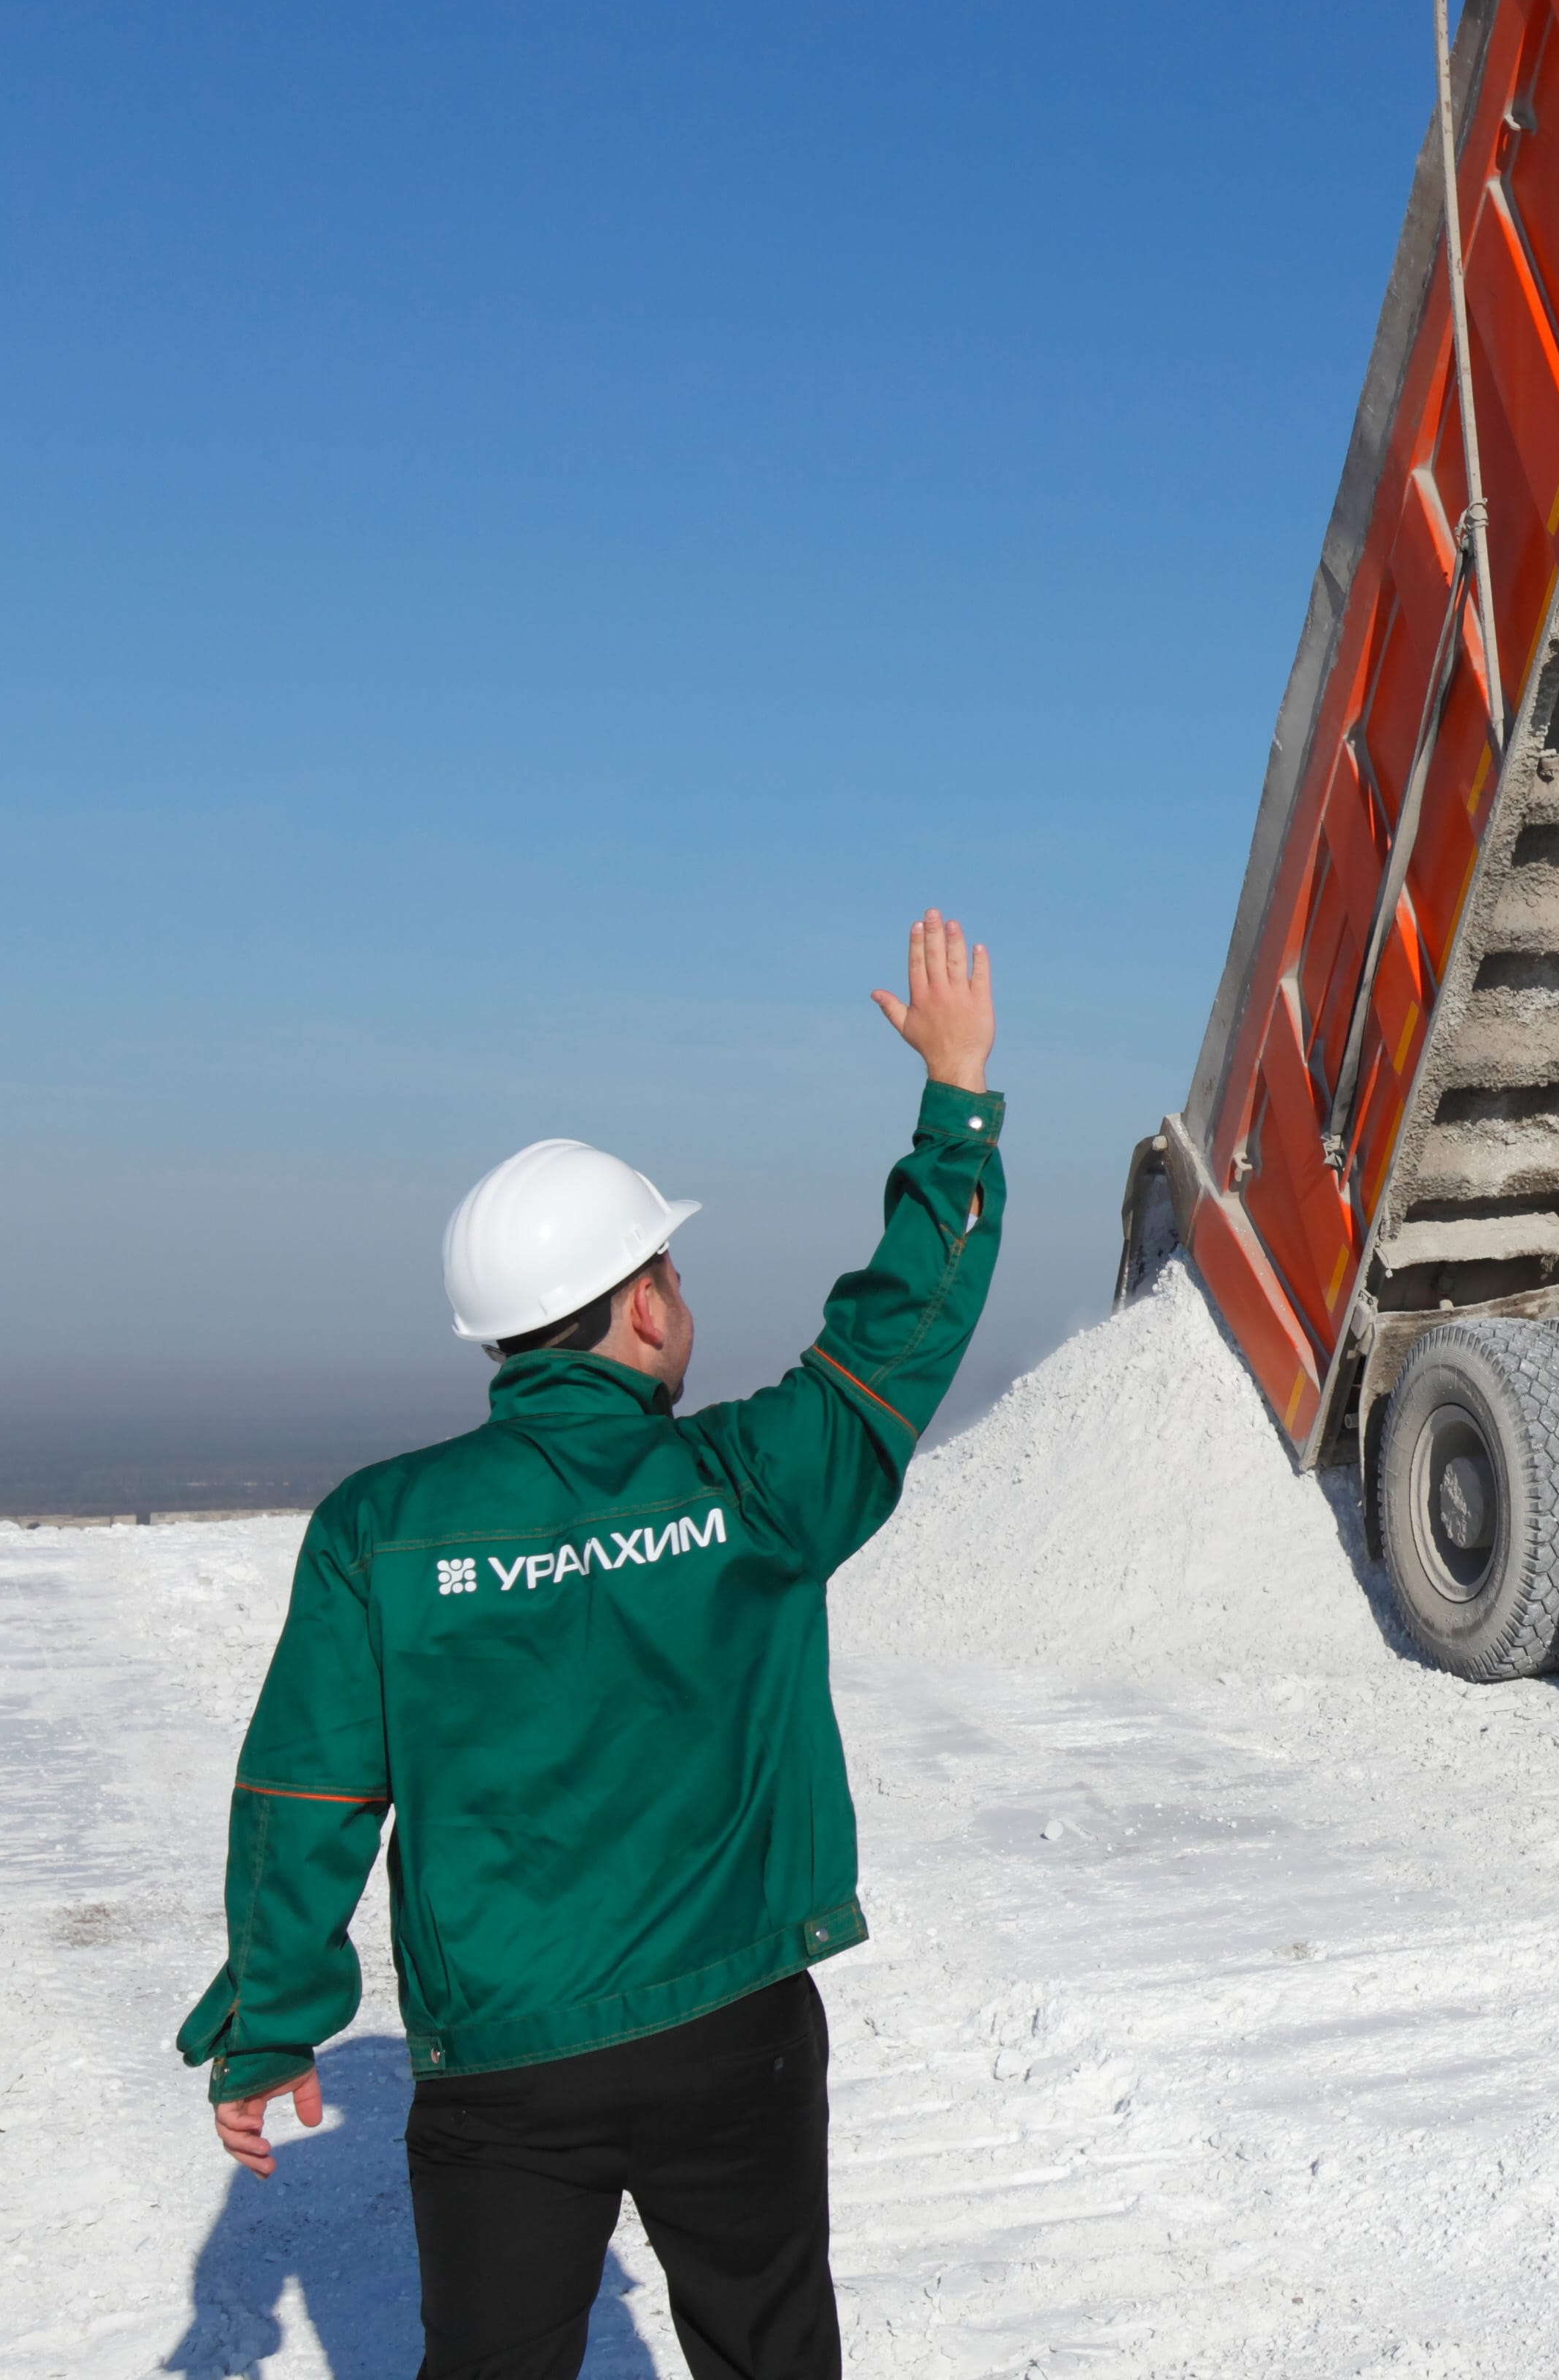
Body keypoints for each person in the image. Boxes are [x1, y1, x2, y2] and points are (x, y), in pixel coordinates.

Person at [181, 910, 1003, 2380]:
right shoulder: (747, 1483)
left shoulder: (383, 1528)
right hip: (732, 2030)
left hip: (505, 2072)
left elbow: (307, 1790)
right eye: (673, 1276)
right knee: (768, 2352)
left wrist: (271, 2025)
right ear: (639, 1307)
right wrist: (955, 1099)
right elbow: (899, 1333)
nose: (686, 1299)